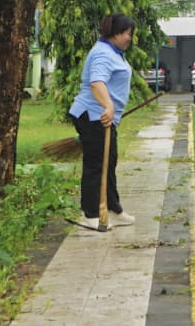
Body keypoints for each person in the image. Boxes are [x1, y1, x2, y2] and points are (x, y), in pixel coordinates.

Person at [68, 13, 138, 230]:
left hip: (104, 118)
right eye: (128, 34)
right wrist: (108, 105)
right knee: (96, 165)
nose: (129, 38)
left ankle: (113, 209)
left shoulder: (113, 52)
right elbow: (96, 83)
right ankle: (90, 214)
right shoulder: (102, 54)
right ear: (116, 33)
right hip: (92, 115)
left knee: (109, 163)